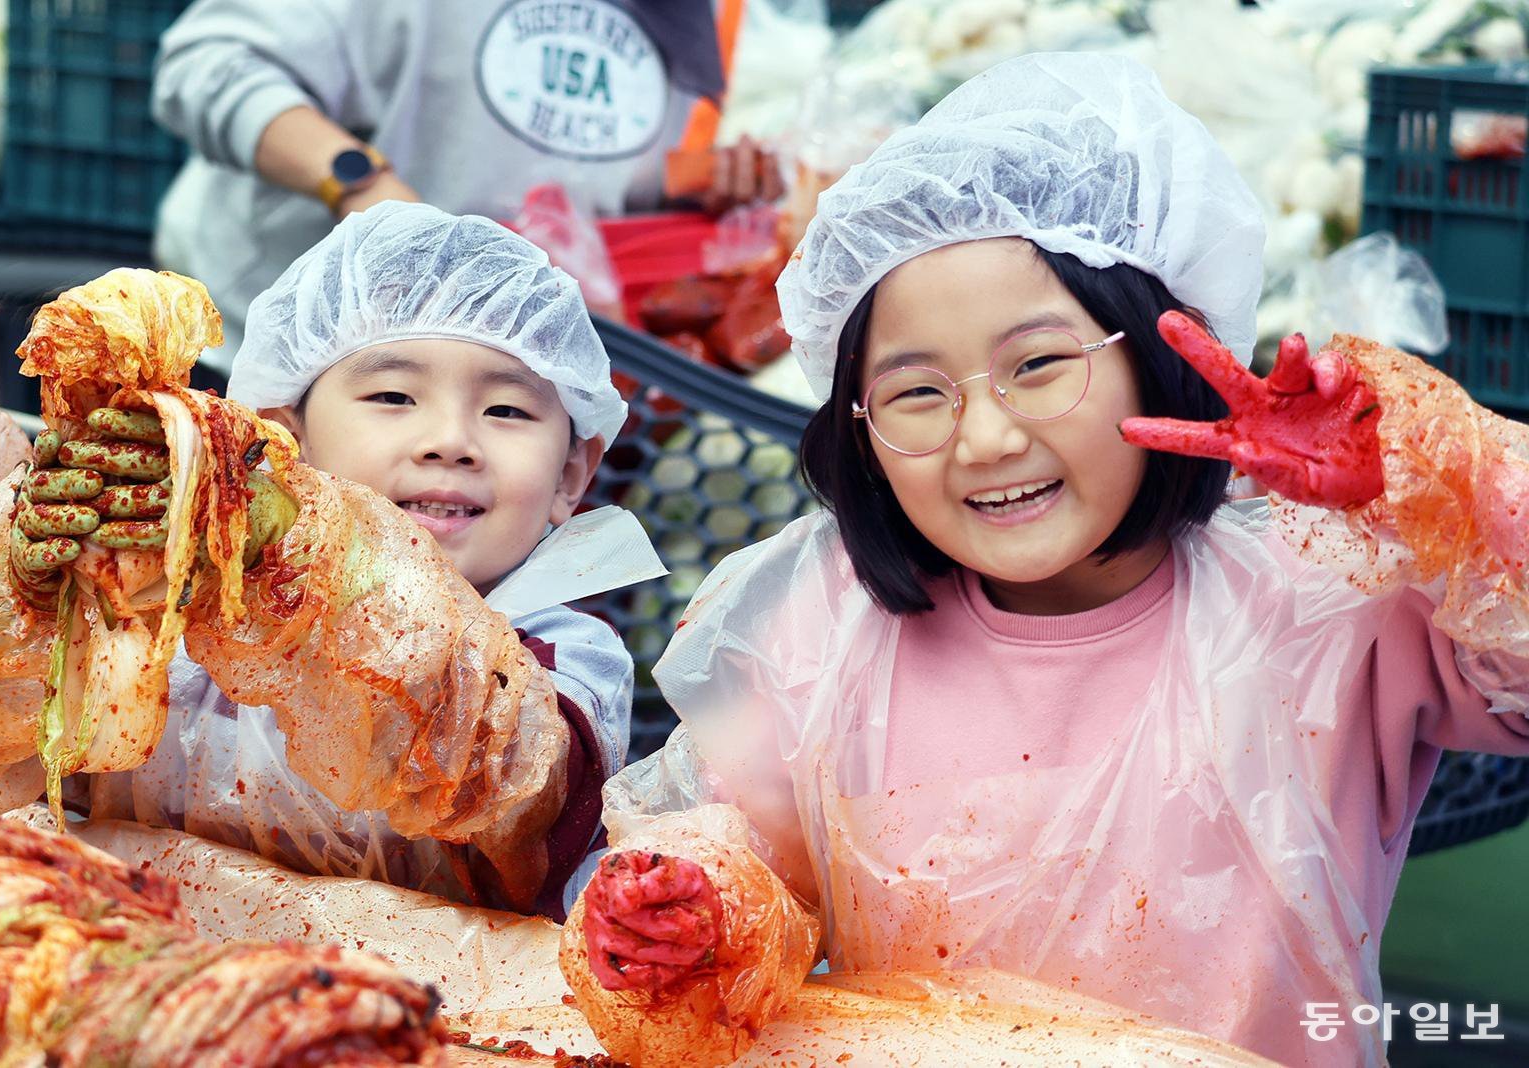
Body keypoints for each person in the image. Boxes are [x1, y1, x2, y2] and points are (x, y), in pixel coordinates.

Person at [554, 53, 1529, 1066]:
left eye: (1040, 365)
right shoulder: (820, 630)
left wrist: (1440, 481)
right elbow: (731, 855)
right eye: (917, 393)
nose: (986, 438)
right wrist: (685, 915)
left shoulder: (1328, 600)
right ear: (861, 434)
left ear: (1156, 357)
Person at [0, 202, 660, 919]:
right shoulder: (152, 612)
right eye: (393, 396)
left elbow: (517, 787)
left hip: (424, 986)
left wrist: (305, 558)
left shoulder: (562, 654)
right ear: (285, 438)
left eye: (507, 411)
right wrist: (26, 609)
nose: (450, 440)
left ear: (571, 474)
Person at [150, 0, 780, 371]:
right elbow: (209, 63)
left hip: (504, 378)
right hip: (274, 346)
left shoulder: (694, 16)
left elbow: (580, 167)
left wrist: (694, 189)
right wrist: (361, 183)